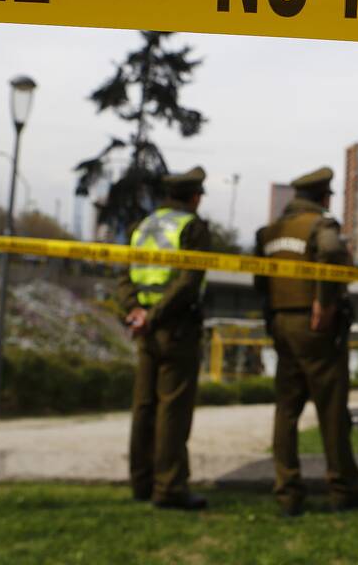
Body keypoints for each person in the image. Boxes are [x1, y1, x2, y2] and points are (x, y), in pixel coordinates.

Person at [254, 166, 358, 517]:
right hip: (317, 327)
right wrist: (325, 301)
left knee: (286, 411)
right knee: (333, 411)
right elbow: (332, 253)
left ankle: (288, 494)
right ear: (323, 197)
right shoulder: (321, 226)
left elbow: (259, 280)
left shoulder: (270, 232)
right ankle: (344, 489)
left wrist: (273, 314)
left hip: (282, 323)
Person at [118, 167, 211, 510]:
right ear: (194, 196)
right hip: (176, 329)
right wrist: (155, 316)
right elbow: (188, 282)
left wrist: (135, 312)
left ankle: (141, 483)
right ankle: (170, 487)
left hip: (144, 329)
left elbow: (125, 275)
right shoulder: (192, 227)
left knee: (144, 406)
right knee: (173, 408)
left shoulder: (144, 227)